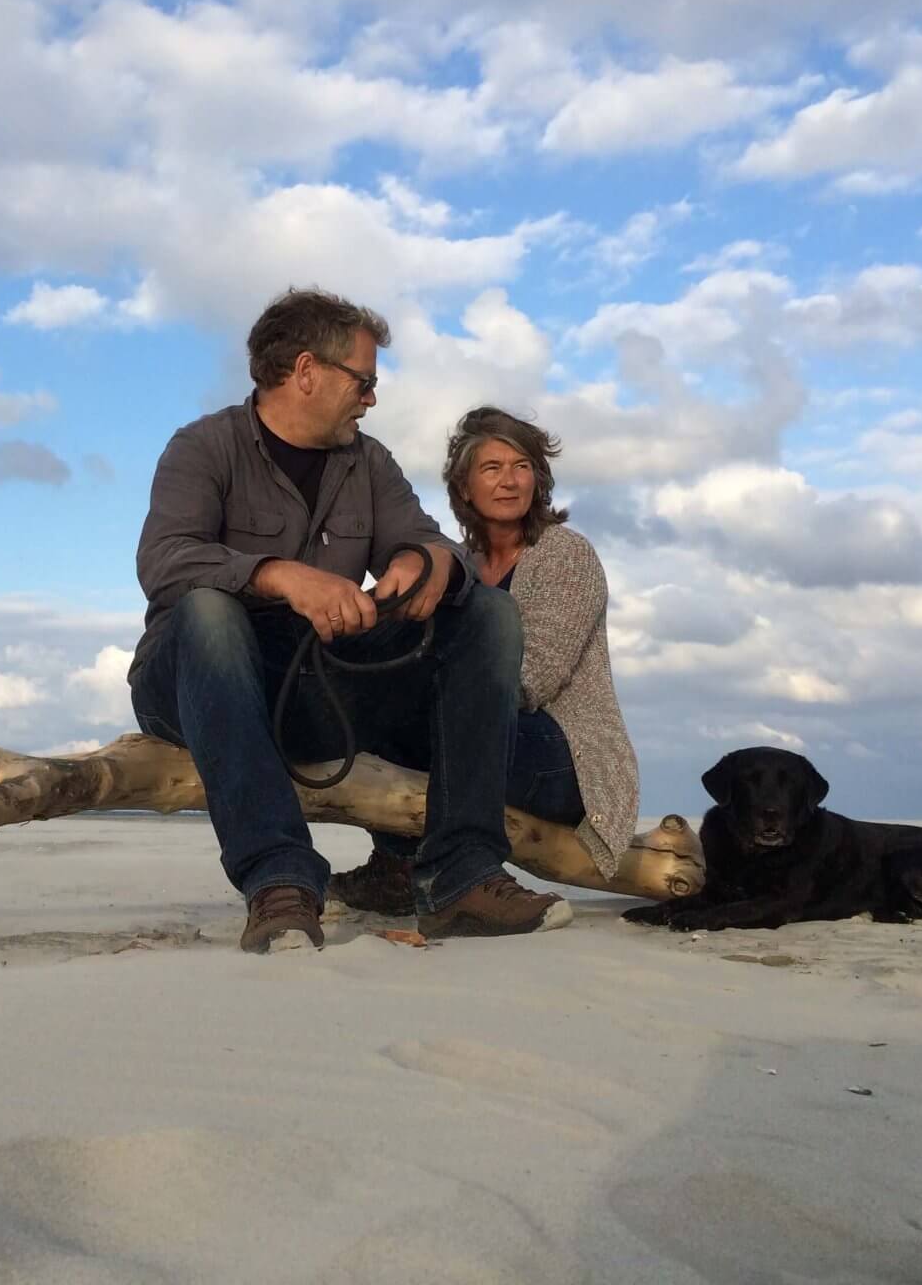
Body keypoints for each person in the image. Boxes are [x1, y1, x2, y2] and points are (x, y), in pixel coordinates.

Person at [128, 290, 573, 953]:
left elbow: (430, 539)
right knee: (208, 610)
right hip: (199, 678)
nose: (371, 399)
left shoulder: (370, 461)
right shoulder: (202, 448)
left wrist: (429, 563)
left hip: (322, 681)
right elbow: (163, 559)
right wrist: (279, 575)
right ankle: (279, 879)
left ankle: (462, 875)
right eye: (363, 382)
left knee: (484, 609)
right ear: (305, 372)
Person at [330, 406, 639, 916]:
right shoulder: (459, 567)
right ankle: (398, 864)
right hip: (481, 735)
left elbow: (528, 682)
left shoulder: (565, 555)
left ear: (539, 481)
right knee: (380, 697)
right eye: (492, 468)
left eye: (522, 467)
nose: (510, 481)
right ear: (464, 486)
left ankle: (416, 869)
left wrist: (422, 684)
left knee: (421, 709)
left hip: (565, 758)